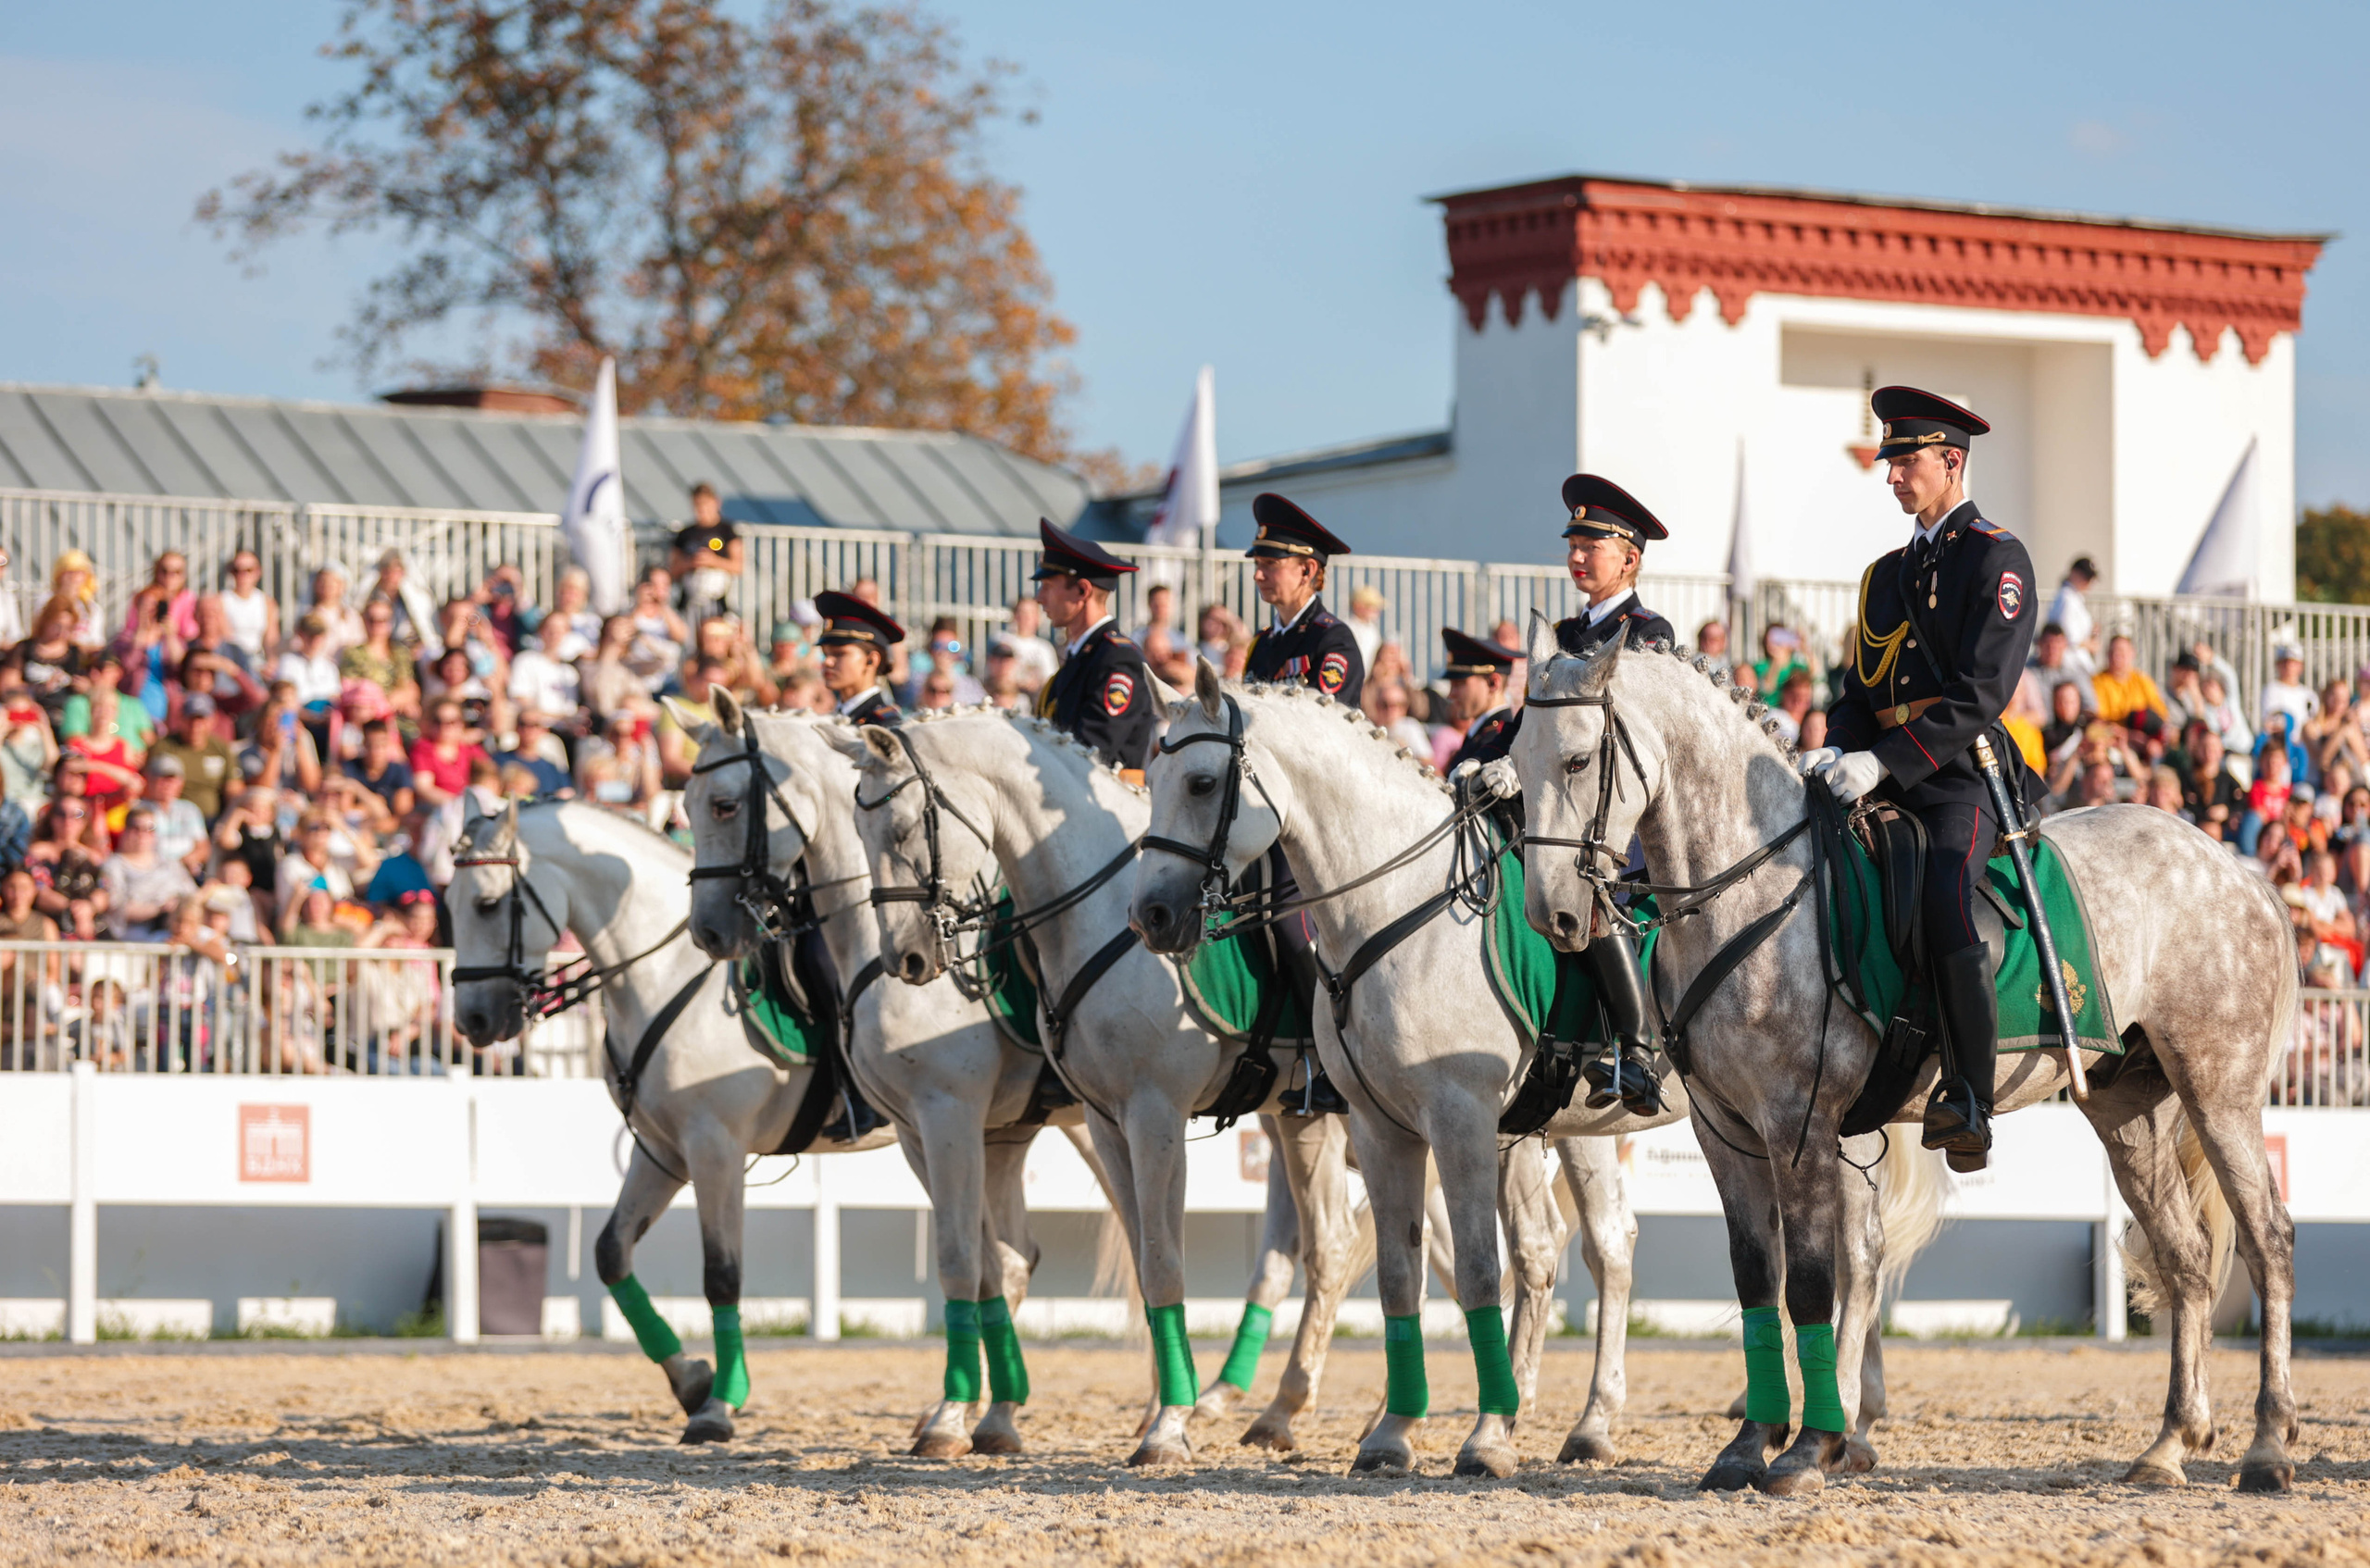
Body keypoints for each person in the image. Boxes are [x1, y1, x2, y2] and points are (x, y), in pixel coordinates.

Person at [1802, 386, 2039, 1173]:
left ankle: (1969, 1096)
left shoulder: (1995, 558)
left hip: (1955, 778)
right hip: (1875, 775)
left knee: (1943, 893)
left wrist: (1886, 760)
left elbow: (1980, 696)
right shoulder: (1884, 575)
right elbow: (1856, 691)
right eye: (1891, 461)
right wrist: (1837, 746)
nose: (1894, 475)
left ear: (1952, 462)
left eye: (1907, 461)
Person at [1029, 520, 1155, 772]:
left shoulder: (1118, 658)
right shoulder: (1084, 654)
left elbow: (1092, 751)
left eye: (1047, 586)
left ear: (1082, 591)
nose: (1039, 598)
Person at [100, 805, 197, 943]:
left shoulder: (170, 863)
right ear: (125, 830)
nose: (143, 834)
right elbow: (116, 908)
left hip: (176, 929)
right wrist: (159, 909)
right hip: (135, 936)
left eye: (150, 828)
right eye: (136, 828)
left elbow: (192, 897)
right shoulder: (114, 865)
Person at [812, 591, 904, 727]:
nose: (827, 662)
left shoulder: (883, 724)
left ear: (872, 660)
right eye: (825, 654)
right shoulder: (833, 716)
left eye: (839, 654)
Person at [1437, 628, 1517, 774]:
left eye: (1459, 684)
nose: (1450, 695)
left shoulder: (1499, 740)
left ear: (1493, 683)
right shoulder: (1481, 734)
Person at [149, 694, 238, 823]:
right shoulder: (164, 747)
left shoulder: (220, 748)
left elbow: (233, 788)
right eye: (190, 719)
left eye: (201, 719)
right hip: (174, 818)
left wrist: (230, 818)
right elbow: (151, 785)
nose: (195, 726)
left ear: (212, 720)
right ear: (181, 718)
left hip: (214, 819)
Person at [671, 483, 744, 630]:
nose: (701, 509)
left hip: (719, 601)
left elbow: (739, 566)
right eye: (697, 505)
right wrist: (691, 563)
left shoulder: (727, 531)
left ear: (716, 502)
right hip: (691, 601)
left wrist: (714, 561)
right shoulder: (685, 534)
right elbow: (673, 569)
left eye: (705, 503)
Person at [143, 756, 210, 878]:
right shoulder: (139, 809)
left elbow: (203, 848)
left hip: (185, 872)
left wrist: (187, 861)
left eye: (171, 780)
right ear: (150, 780)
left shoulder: (190, 809)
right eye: (162, 780)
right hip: (150, 873)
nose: (167, 785)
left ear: (180, 783)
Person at [2047, 555, 2099, 672]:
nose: (2088, 582)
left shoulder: (2074, 597)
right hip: (2071, 663)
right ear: (2074, 573)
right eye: (2086, 577)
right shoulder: (2067, 598)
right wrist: (2090, 645)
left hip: (2077, 661)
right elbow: (2069, 637)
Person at [2262, 644, 2317, 738]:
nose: (2289, 666)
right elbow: (2272, 724)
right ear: (2278, 665)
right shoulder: (2271, 689)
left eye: (2294, 663)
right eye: (2285, 663)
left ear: (2301, 666)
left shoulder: (2309, 694)